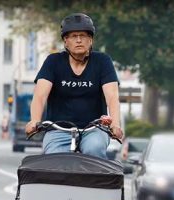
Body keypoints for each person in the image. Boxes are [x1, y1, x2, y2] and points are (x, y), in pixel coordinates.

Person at [25, 13, 124, 158]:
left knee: (94, 150)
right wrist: (34, 121)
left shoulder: (103, 61)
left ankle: (93, 181)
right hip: (58, 130)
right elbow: (40, 96)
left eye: (83, 35)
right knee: (54, 158)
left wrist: (115, 124)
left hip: (93, 129)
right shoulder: (53, 62)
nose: (79, 40)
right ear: (65, 41)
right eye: (73, 36)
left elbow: (112, 97)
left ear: (90, 40)